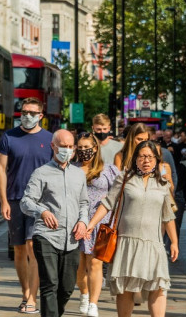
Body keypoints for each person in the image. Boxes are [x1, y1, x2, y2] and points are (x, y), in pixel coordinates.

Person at [86, 140, 178, 317]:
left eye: (150, 157)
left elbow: (168, 216)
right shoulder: (124, 178)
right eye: (142, 156)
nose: (146, 161)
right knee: (126, 288)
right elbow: (107, 203)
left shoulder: (163, 184)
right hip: (126, 242)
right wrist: (91, 225)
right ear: (135, 158)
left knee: (158, 287)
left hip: (153, 244)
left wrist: (174, 242)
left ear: (157, 160)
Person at [21, 129, 88, 317]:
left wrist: (83, 221)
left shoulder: (78, 174)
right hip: (47, 236)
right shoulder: (41, 173)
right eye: (62, 146)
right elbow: (26, 202)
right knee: (50, 284)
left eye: (70, 147)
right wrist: (42, 211)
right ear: (53, 146)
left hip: (72, 239)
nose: (66, 150)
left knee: (66, 287)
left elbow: (84, 203)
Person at [0, 97, 54, 314]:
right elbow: (1, 168)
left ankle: (32, 298)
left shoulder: (50, 139)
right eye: (24, 111)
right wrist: (3, 201)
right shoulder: (8, 137)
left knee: (32, 247)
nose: (27, 115)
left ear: (41, 115)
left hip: (41, 202)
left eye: (32, 112)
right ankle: (25, 292)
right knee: (19, 250)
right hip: (15, 199)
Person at [74, 133, 118, 317]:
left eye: (87, 147)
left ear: (95, 148)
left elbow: (116, 195)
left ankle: (93, 303)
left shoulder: (108, 170)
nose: (84, 151)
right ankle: (84, 295)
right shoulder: (72, 169)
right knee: (79, 263)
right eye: (80, 147)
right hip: (77, 222)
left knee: (95, 263)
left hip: (100, 222)